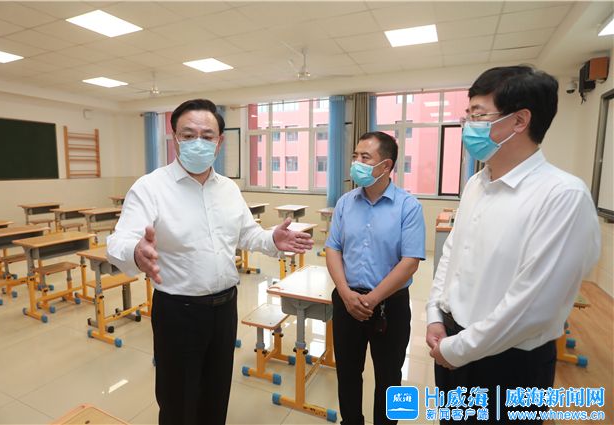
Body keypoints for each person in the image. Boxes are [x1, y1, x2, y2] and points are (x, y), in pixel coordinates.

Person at [106, 98, 314, 425]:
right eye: (188, 135)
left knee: (216, 397)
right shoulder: (150, 187)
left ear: (220, 142)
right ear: (175, 138)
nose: (198, 143)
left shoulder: (228, 189)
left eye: (207, 136)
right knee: (178, 403)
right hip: (179, 312)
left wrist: (271, 239)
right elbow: (118, 241)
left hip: (224, 309)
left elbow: (247, 234)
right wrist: (135, 251)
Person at [426, 66, 601, 424]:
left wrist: (457, 349)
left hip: (509, 363)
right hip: (452, 342)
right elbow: (451, 255)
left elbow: (532, 306)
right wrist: (434, 315)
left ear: (519, 121)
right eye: (467, 115)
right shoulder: (477, 183)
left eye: (478, 115)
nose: (467, 125)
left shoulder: (562, 195)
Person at [326, 131, 426, 425]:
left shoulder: (408, 206)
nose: (356, 162)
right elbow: (333, 248)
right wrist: (345, 293)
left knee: (389, 376)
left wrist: (372, 299)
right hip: (347, 300)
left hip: (389, 305)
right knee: (347, 372)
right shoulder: (345, 203)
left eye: (365, 157)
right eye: (355, 156)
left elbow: (410, 263)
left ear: (386, 165)